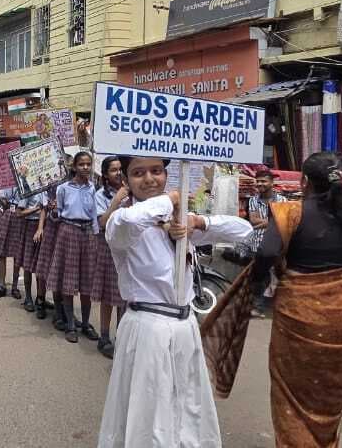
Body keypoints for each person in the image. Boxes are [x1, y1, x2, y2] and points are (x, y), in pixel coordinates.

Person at [97, 156, 253, 448]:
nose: (149, 179)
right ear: (126, 181)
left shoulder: (180, 220)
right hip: (147, 328)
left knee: (187, 406)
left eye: (157, 171)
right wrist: (172, 201)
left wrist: (195, 221)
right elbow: (133, 219)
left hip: (184, 326)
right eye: (138, 173)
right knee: (149, 414)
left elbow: (243, 230)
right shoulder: (121, 223)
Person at [253, 152, 342, 447]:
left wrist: (253, 287)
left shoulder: (290, 213)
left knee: (291, 398)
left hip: (297, 323)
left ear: (304, 182)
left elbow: (266, 253)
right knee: (328, 404)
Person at [37, 151, 97, 344]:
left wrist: (95, 236)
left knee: (87, 282)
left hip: (87, 233)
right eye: (81, 165)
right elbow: (57, 216)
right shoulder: (63, 189)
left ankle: (86, 323)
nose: (85, 168)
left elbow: (95, 216)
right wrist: (53, 210)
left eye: (88, 164)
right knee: (68, 281)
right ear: (74, 167)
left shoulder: (93, 188)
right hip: (68, 231)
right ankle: (70, 324)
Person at [89, 156, 126, 359]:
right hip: (108, 247)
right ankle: (104, 337)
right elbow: (102, 222)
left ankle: (122, 338)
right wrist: (117, 200)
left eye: (121, 169)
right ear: (105, 174)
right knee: (107, 296)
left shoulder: (135, 192)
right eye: (113, 170)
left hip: (128, 250)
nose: (118, 173)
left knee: (125, 296)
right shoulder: (100, 195)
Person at [241, 168, 286, 317]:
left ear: (272, 183)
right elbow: (253, 221)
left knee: (282, 275)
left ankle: (283, 306)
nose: (260, 184)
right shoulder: (253, 200)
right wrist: (271, 222)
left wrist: (269, 223)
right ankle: (258, 307)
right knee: (259, 276)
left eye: (264, 181)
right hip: (257, 244)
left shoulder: (282, 200)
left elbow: (282, 222)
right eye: (258, 181)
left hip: (276, 245)